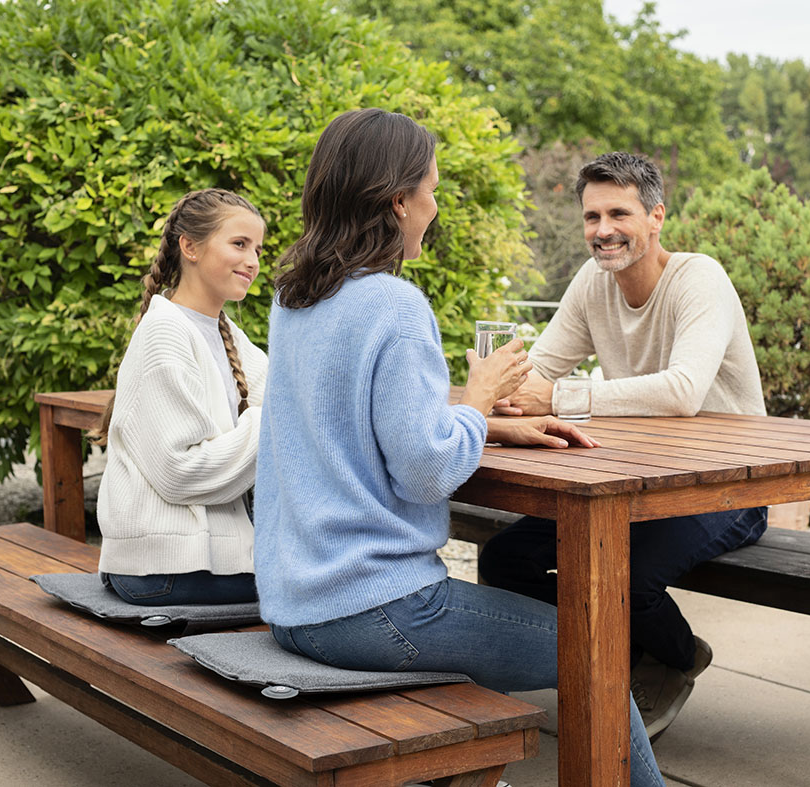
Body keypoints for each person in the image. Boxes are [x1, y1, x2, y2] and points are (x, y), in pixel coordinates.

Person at [253, 109, 667, 786]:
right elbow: (424, 471)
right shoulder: (394, 305)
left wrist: (493, 425)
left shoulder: (295, 297)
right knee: (600, 652)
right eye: (432, 191)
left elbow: (347, 424)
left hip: (293, 604)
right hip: (372, 610)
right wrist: (475, 400)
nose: (434, 207)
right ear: (396, 201)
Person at [480, 152, 770, 740]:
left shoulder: (699, 279)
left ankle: (678, 656)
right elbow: (538, 370)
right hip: (635, 482)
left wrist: (554, 398)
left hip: (729, 485)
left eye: (619, 213)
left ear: (656, 216)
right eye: (592, 216)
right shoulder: (595, 282)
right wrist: (497, 395)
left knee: (623, 578)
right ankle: (617, 661)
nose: (603, 230)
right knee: (504, 558)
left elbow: (684, 391)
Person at [91, 188, 268, 606]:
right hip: (163, 567)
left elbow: (291, 396)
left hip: (193, 564)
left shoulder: (227, 335)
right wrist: (270, 424)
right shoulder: (165, 332)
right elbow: (180, 471)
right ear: (190, 246)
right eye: (239, 244)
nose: (253, 261)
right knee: (333, 591)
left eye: (258, 249)